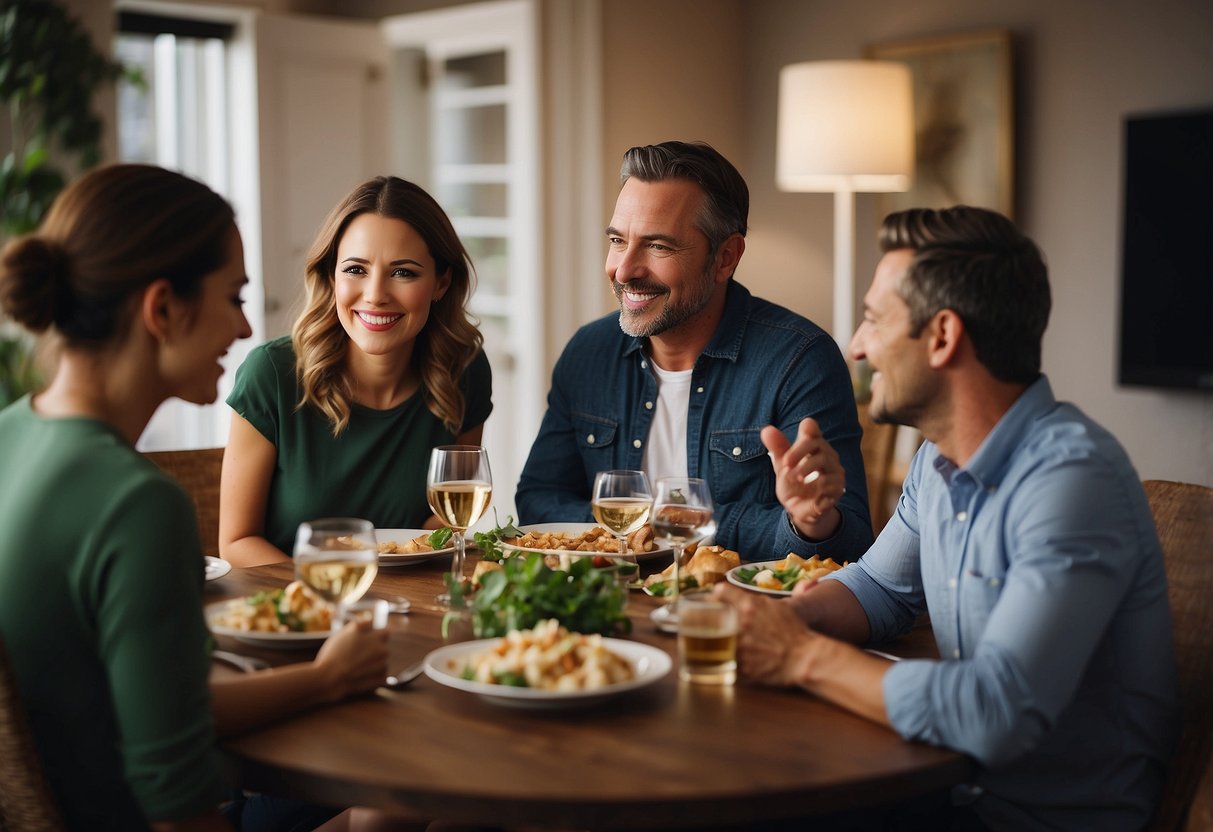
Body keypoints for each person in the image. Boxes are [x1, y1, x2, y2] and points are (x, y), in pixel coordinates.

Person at [716, 206, 1179, 830]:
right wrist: (787, 616)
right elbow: (881, 587)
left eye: (874, 320)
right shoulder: (939, 458)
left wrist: (801, 655)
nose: (855, 345)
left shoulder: (1073, 479)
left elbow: (996, 712)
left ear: (942, 336)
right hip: (944, 792)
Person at [0, 164, 390, 831]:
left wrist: (326, 679)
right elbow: (178, 807)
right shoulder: (137, 505)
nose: (244, 329)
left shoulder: (12, 432)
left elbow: (155, 708)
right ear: (162, 308)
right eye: (233, 296)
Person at [515, 140, 873, 562]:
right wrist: (672, 525)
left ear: (725, 257)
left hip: (735, 617)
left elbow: (850, 541)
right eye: (617, 240)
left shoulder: (800, 360)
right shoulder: (588, 354)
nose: (624, 269)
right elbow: (538, 501)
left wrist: (808, 523)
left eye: (659, 246)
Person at [220, 176, 492, 566]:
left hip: (411, 605)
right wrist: (335, 598)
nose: (376, 294)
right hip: (297, 611)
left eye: (403, 272)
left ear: (441, 282)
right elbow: (237, 541)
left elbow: (445, 521)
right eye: (355, 269)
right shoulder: (271, 375)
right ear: (332, 275)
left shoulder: (465, 369)